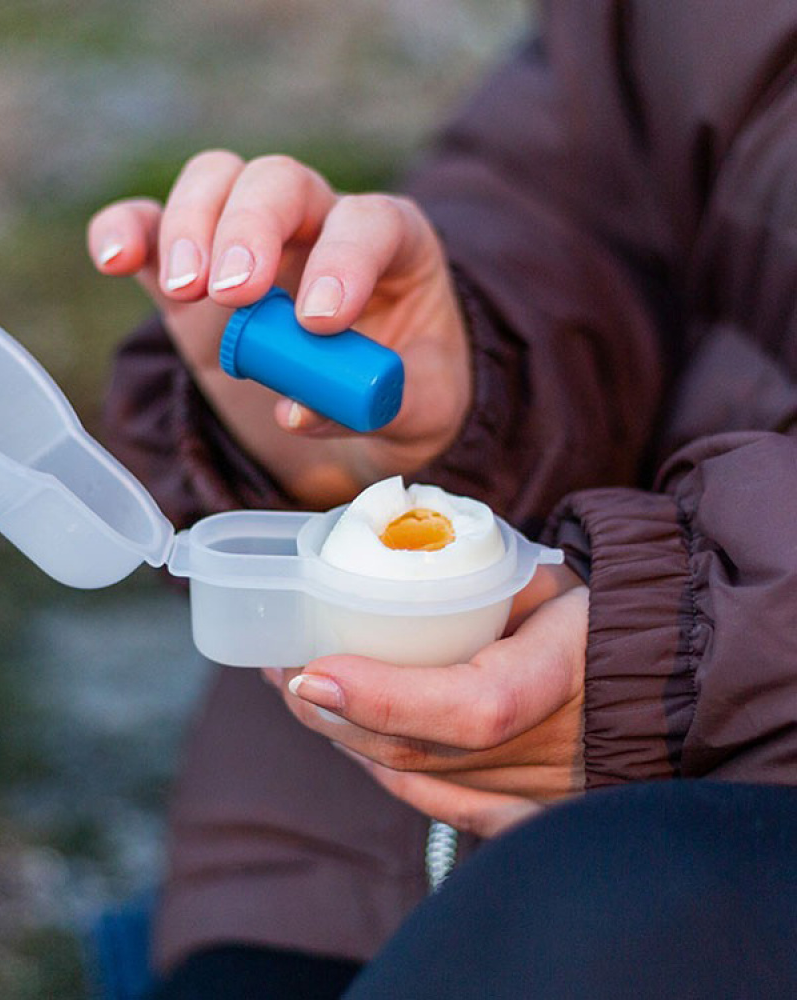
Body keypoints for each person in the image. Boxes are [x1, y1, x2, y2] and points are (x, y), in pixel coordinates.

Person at [86, 0, 797, 995]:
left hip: (688, 860)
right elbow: (568, 188)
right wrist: (476, 380)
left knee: (611, 902)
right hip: (348, 849)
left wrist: (689, 660)